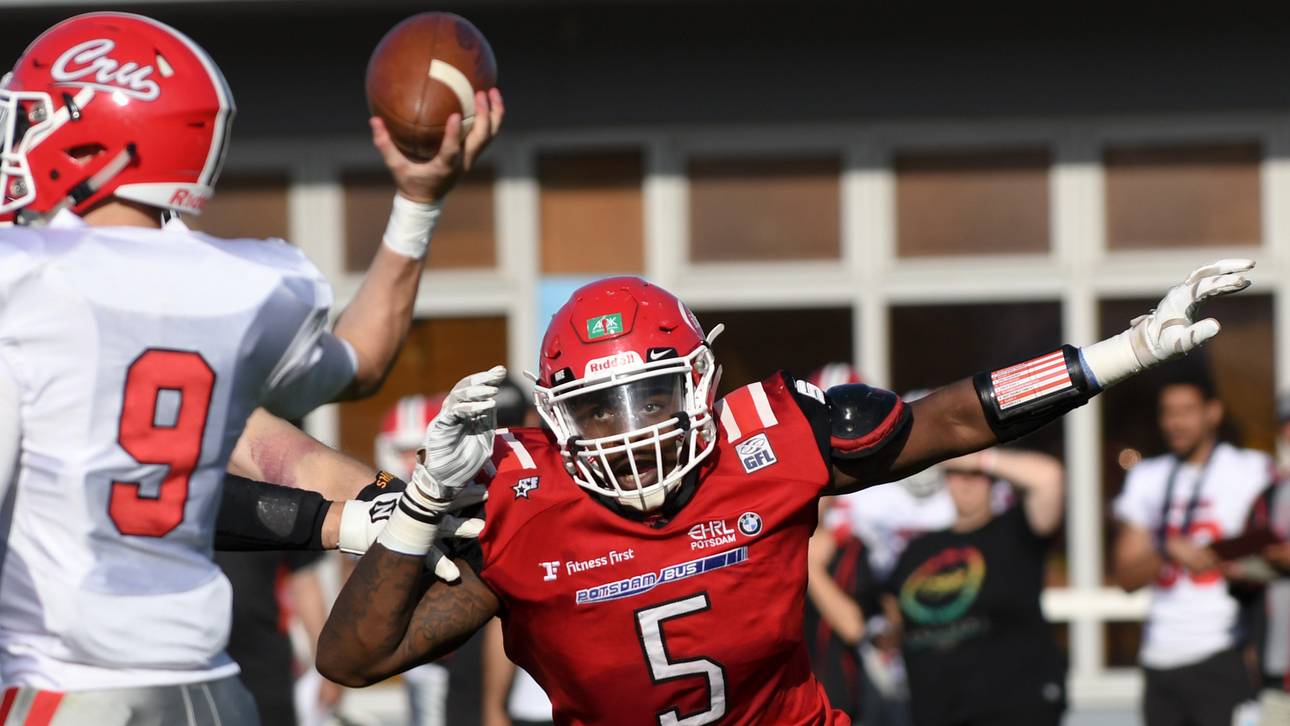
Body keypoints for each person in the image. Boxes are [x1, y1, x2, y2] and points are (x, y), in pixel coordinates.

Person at [319, 262, 1253, 725]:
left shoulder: (768, 443)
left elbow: (950, 422)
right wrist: (420, 508)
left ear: (699, 380)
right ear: (559, 417)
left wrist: (1114, 355)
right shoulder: (525, 498)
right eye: (601, 407)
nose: (633, 426)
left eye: (650, 393)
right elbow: (354, 660)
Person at [0, 10, 501, 724]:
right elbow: (356, 363)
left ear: (95, 138)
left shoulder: (19, 280)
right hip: (209, 689)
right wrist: (418, 201)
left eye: (29, 120)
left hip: (61, 688)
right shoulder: (238, 288)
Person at [1113, 375, 1272, 726]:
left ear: (1213, 413)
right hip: (1160, 655)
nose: (1175, 422)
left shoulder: (1251, 470)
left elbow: (1275, 550)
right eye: (1167, 412)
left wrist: (1242, 566)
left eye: (1186, 411)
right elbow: (1125, 577)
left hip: (1222, 651)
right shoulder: (1147, 477)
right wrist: (1166, 551)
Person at [877, 447, 1066, 726]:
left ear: (991, 478)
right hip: (935, 710)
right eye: (956, 474)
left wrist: (976, 457)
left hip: (1014, 708)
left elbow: (1050, 478)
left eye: (976, 475)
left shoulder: (1015, 531)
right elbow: (891, 617)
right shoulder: (917, 550)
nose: (966, 482)